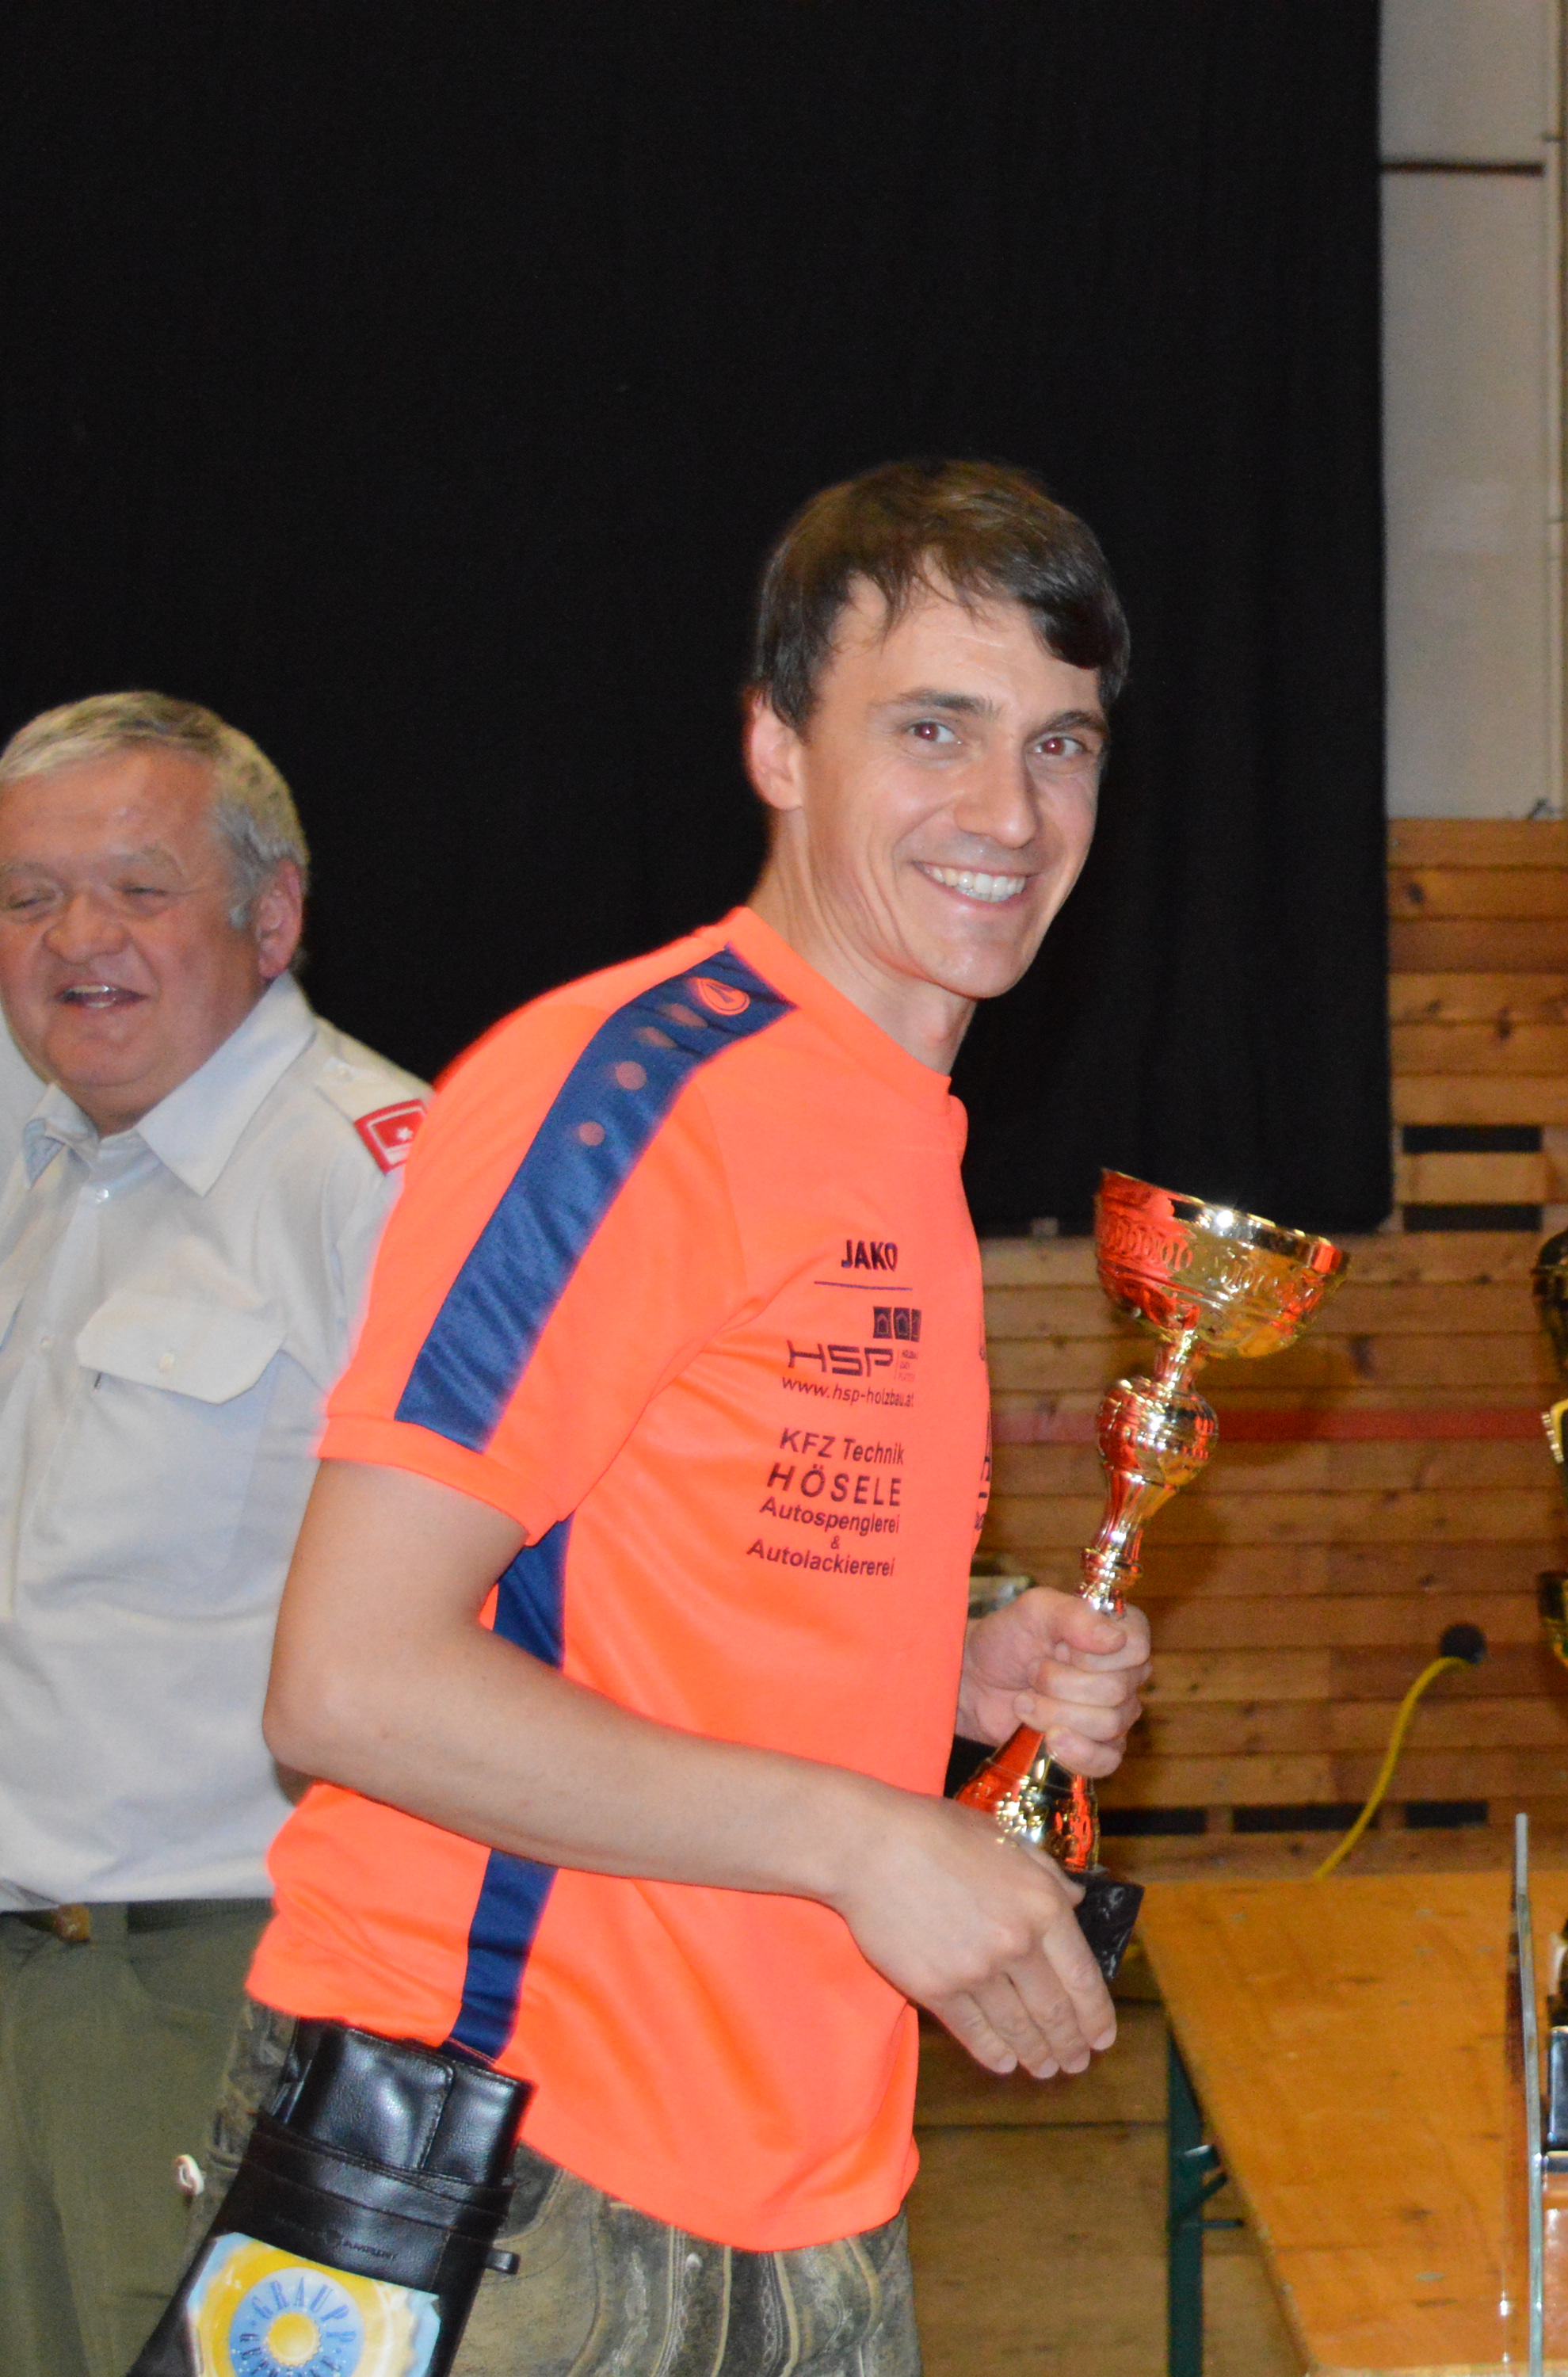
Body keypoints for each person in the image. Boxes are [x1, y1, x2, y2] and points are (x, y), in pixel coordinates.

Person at [233, 460, 1156, 2371]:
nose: (1009, 811)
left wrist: (944, 1673)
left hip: (791, 2179)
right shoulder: (628, 1096)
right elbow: (347, 1679)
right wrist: (871, 1841)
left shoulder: (892, 1127)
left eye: (1058, 743)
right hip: (503, 2177)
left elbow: (643, 1584)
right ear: (777, 747)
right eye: (933, 729)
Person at [0, 694, 425, 2377]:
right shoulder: (49, 1161)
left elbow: (510, 1605)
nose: (75, 941)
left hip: (231, 1988)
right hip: (40, 1986)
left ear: (274, 914)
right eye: (29, 898)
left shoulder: (371, 1183)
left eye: (137, 889)